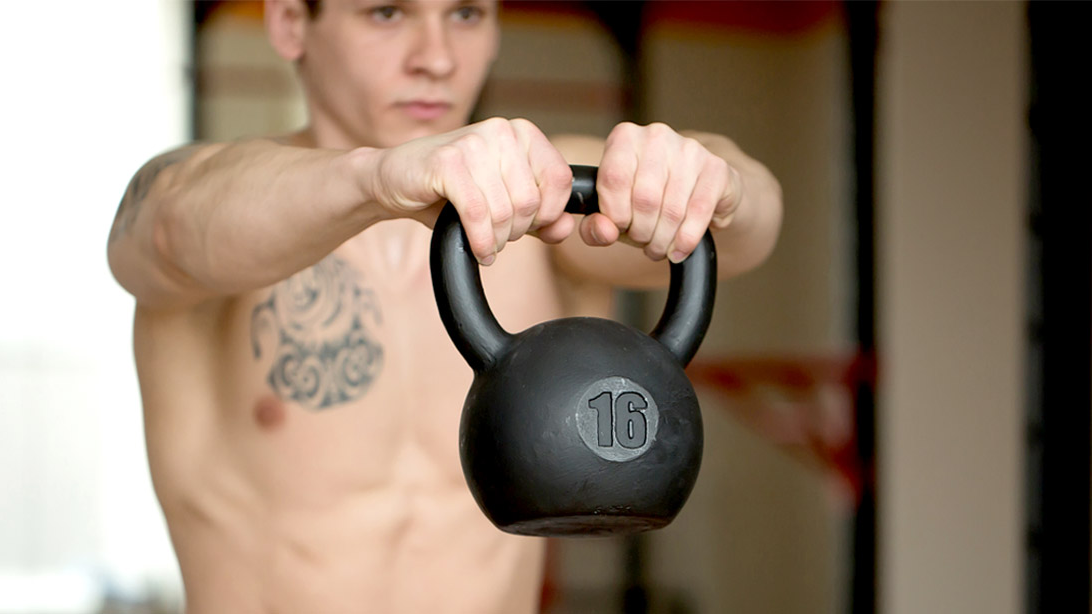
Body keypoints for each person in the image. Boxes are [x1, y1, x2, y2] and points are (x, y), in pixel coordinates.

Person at [106, 0, 782, 612]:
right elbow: (163, 226)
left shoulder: (552, 199)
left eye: (465, 14)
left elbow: (749, 224)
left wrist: (707, 178)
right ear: (290, 23)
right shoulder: (219, 207)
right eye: (386, 14)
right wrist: (377, 177)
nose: (435, 58)